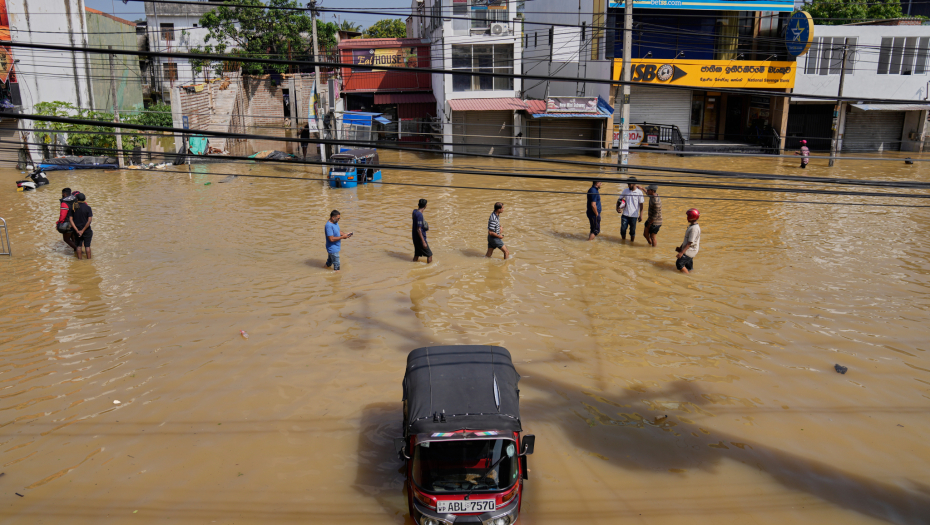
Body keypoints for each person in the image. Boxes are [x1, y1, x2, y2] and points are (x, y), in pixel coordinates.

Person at [618, 177, 645, 242]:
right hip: (625, 214)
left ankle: (632, 243)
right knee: (623, 230)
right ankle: (623, 242)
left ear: (634, 184)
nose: (629, 185)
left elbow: (641, 205)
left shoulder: (639, 192)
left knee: (632, 231)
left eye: (630, 184)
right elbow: (619, 200)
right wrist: (617, 208)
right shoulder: (625, 190)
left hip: (634, 215)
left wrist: (641, 215)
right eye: (628, 184)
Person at [67, 193, 93, 260]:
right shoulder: (88, 208)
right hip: (87, 230)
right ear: (84, 199)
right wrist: (83, 230)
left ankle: (79, 260)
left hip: (77, 231)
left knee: (78, 246)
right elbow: (89, 221)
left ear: (77, 199)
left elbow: (70, 220)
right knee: (87, 246)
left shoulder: (73, 208)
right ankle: (89, 261)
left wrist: (77, 230)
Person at [675, 208, 701, 274]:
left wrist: (681, 253)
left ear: (691, 217)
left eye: (688, 216)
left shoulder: (694, 229)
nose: (687, 217)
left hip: (690, 250)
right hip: (690, 250)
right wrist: (681, 248)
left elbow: (690, 242)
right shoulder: (692, 226)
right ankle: (690, 276)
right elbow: (687, 239)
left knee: (679, 264)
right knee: (689, 267)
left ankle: (687, 277)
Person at [57, 187, 78, 252]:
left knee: (66, 239)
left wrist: (59, 223)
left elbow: (63, 215)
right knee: (73, 238)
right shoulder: (75, 199)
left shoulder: (64, 202)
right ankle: (77, 255)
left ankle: (79, 251)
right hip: (75, 222)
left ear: (64, 193)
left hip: (68, 223)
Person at [412, 198, 432, 263]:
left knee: (417, 254)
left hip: (415, 237)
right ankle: (429, 270)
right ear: (425, 206)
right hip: (420, 238)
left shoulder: (414, 211)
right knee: (429, 255)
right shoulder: (419, 215)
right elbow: (419, 229)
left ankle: (413, 265)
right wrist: (423, 242)